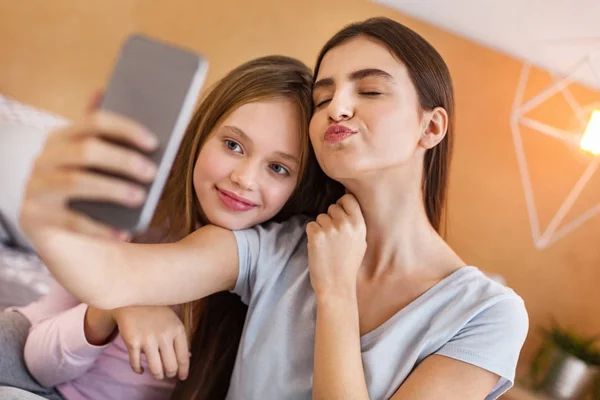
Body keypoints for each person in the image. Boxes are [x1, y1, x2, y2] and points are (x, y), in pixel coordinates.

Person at [20, 17, 528, 400]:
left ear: (431, 128)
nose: (338, 108)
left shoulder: (485, 315)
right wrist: (45, 206)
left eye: (369, 90)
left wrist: (335, 295)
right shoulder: (277, 246)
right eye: (324, 97)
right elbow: (113, 278)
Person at [2, 55, 342, 400]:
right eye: (233, 145)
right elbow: (38, 362)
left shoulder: (274, 279)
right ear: (202, 135)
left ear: (300, 187)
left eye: (278, 168)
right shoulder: (139, 215)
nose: (244, 178)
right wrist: (119, 304)